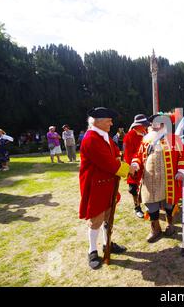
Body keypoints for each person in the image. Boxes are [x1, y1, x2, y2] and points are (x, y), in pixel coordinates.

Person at [79, 107, 130, 270]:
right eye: (109, 120)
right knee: (96, 219)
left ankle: (107, 243)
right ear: (99, 122)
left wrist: (119, 161)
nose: (111, 123)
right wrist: (129, 169)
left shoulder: (103, 135)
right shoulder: (91, 138)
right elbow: (109, 162)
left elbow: (116, 153)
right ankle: (92, 250)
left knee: (108, 216)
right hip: (96, 185)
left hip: (107, 183)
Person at [131, 114, 184, 243]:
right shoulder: (146, 140)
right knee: (151, 204)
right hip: (150, 179)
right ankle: (155, 229)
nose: (155, 126)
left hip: (169, 180)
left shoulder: (175, 140)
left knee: (170, 204)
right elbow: (138, 156)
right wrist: (135, 164)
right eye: (154, 124)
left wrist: (181, 171)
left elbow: (183, 157)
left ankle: (170, 225)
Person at [123, 114, 151, 219]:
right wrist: (132, 168)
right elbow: (127, 155)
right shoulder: (129, 136)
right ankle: (137, 207)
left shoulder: (146, 134)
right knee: (134, 188)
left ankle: (148, 204)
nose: (145, 127)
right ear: (138, 126)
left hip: (146, 166)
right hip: (135, 167)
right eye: (144, 125)